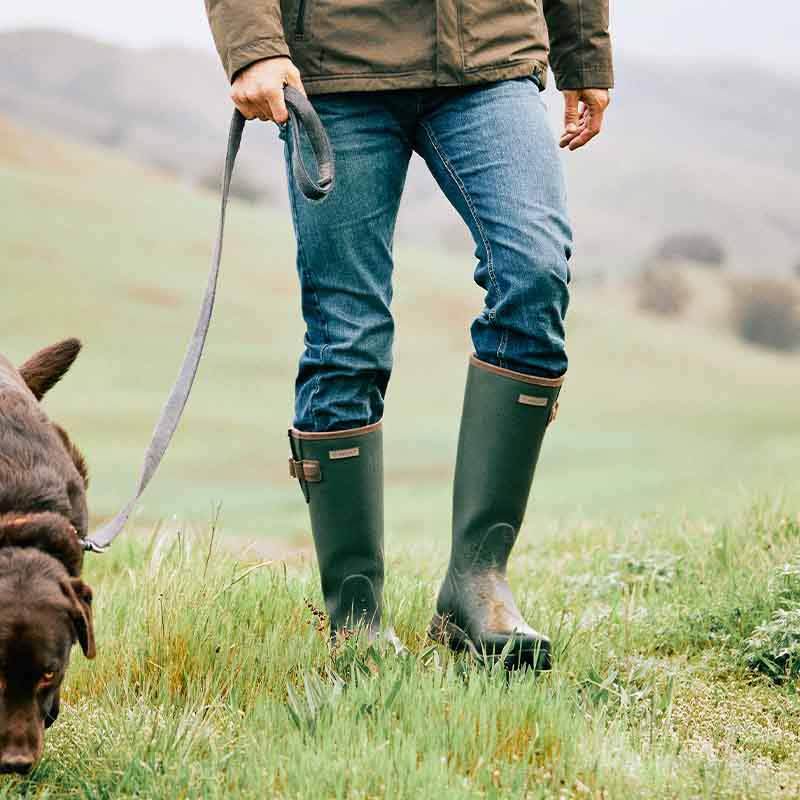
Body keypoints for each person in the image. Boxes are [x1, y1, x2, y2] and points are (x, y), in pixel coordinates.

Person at [205, 1, 612, 669]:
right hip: (338, 71)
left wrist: (585, 53)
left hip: (490, 56)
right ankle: (355, 618)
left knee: (535, 274)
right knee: (347, 337)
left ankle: (476, 587)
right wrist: (252, 48)